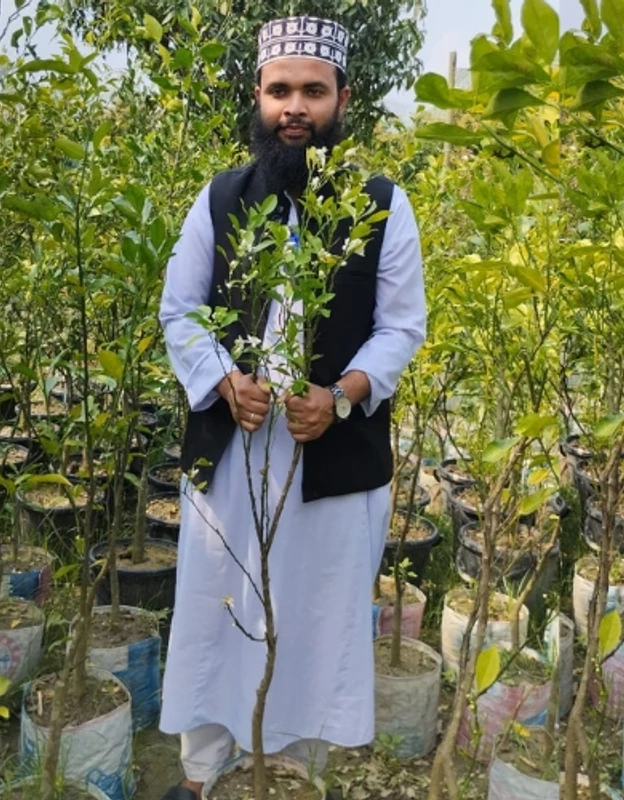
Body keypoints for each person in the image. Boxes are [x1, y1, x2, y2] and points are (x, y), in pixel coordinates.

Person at [157, 15, 425, 800]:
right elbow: (179, 310)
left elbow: (402, 326)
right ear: (259, 98)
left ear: (344, 99)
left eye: (313, 91)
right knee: (214, 607)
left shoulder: (382, 206)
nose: (295, 108)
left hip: (331, 460)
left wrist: (342, 398)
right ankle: (206, 774)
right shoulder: (218, 199)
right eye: (281, 92)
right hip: (232, 456)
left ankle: (297, 773)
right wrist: (221, 379)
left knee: (317, 612)